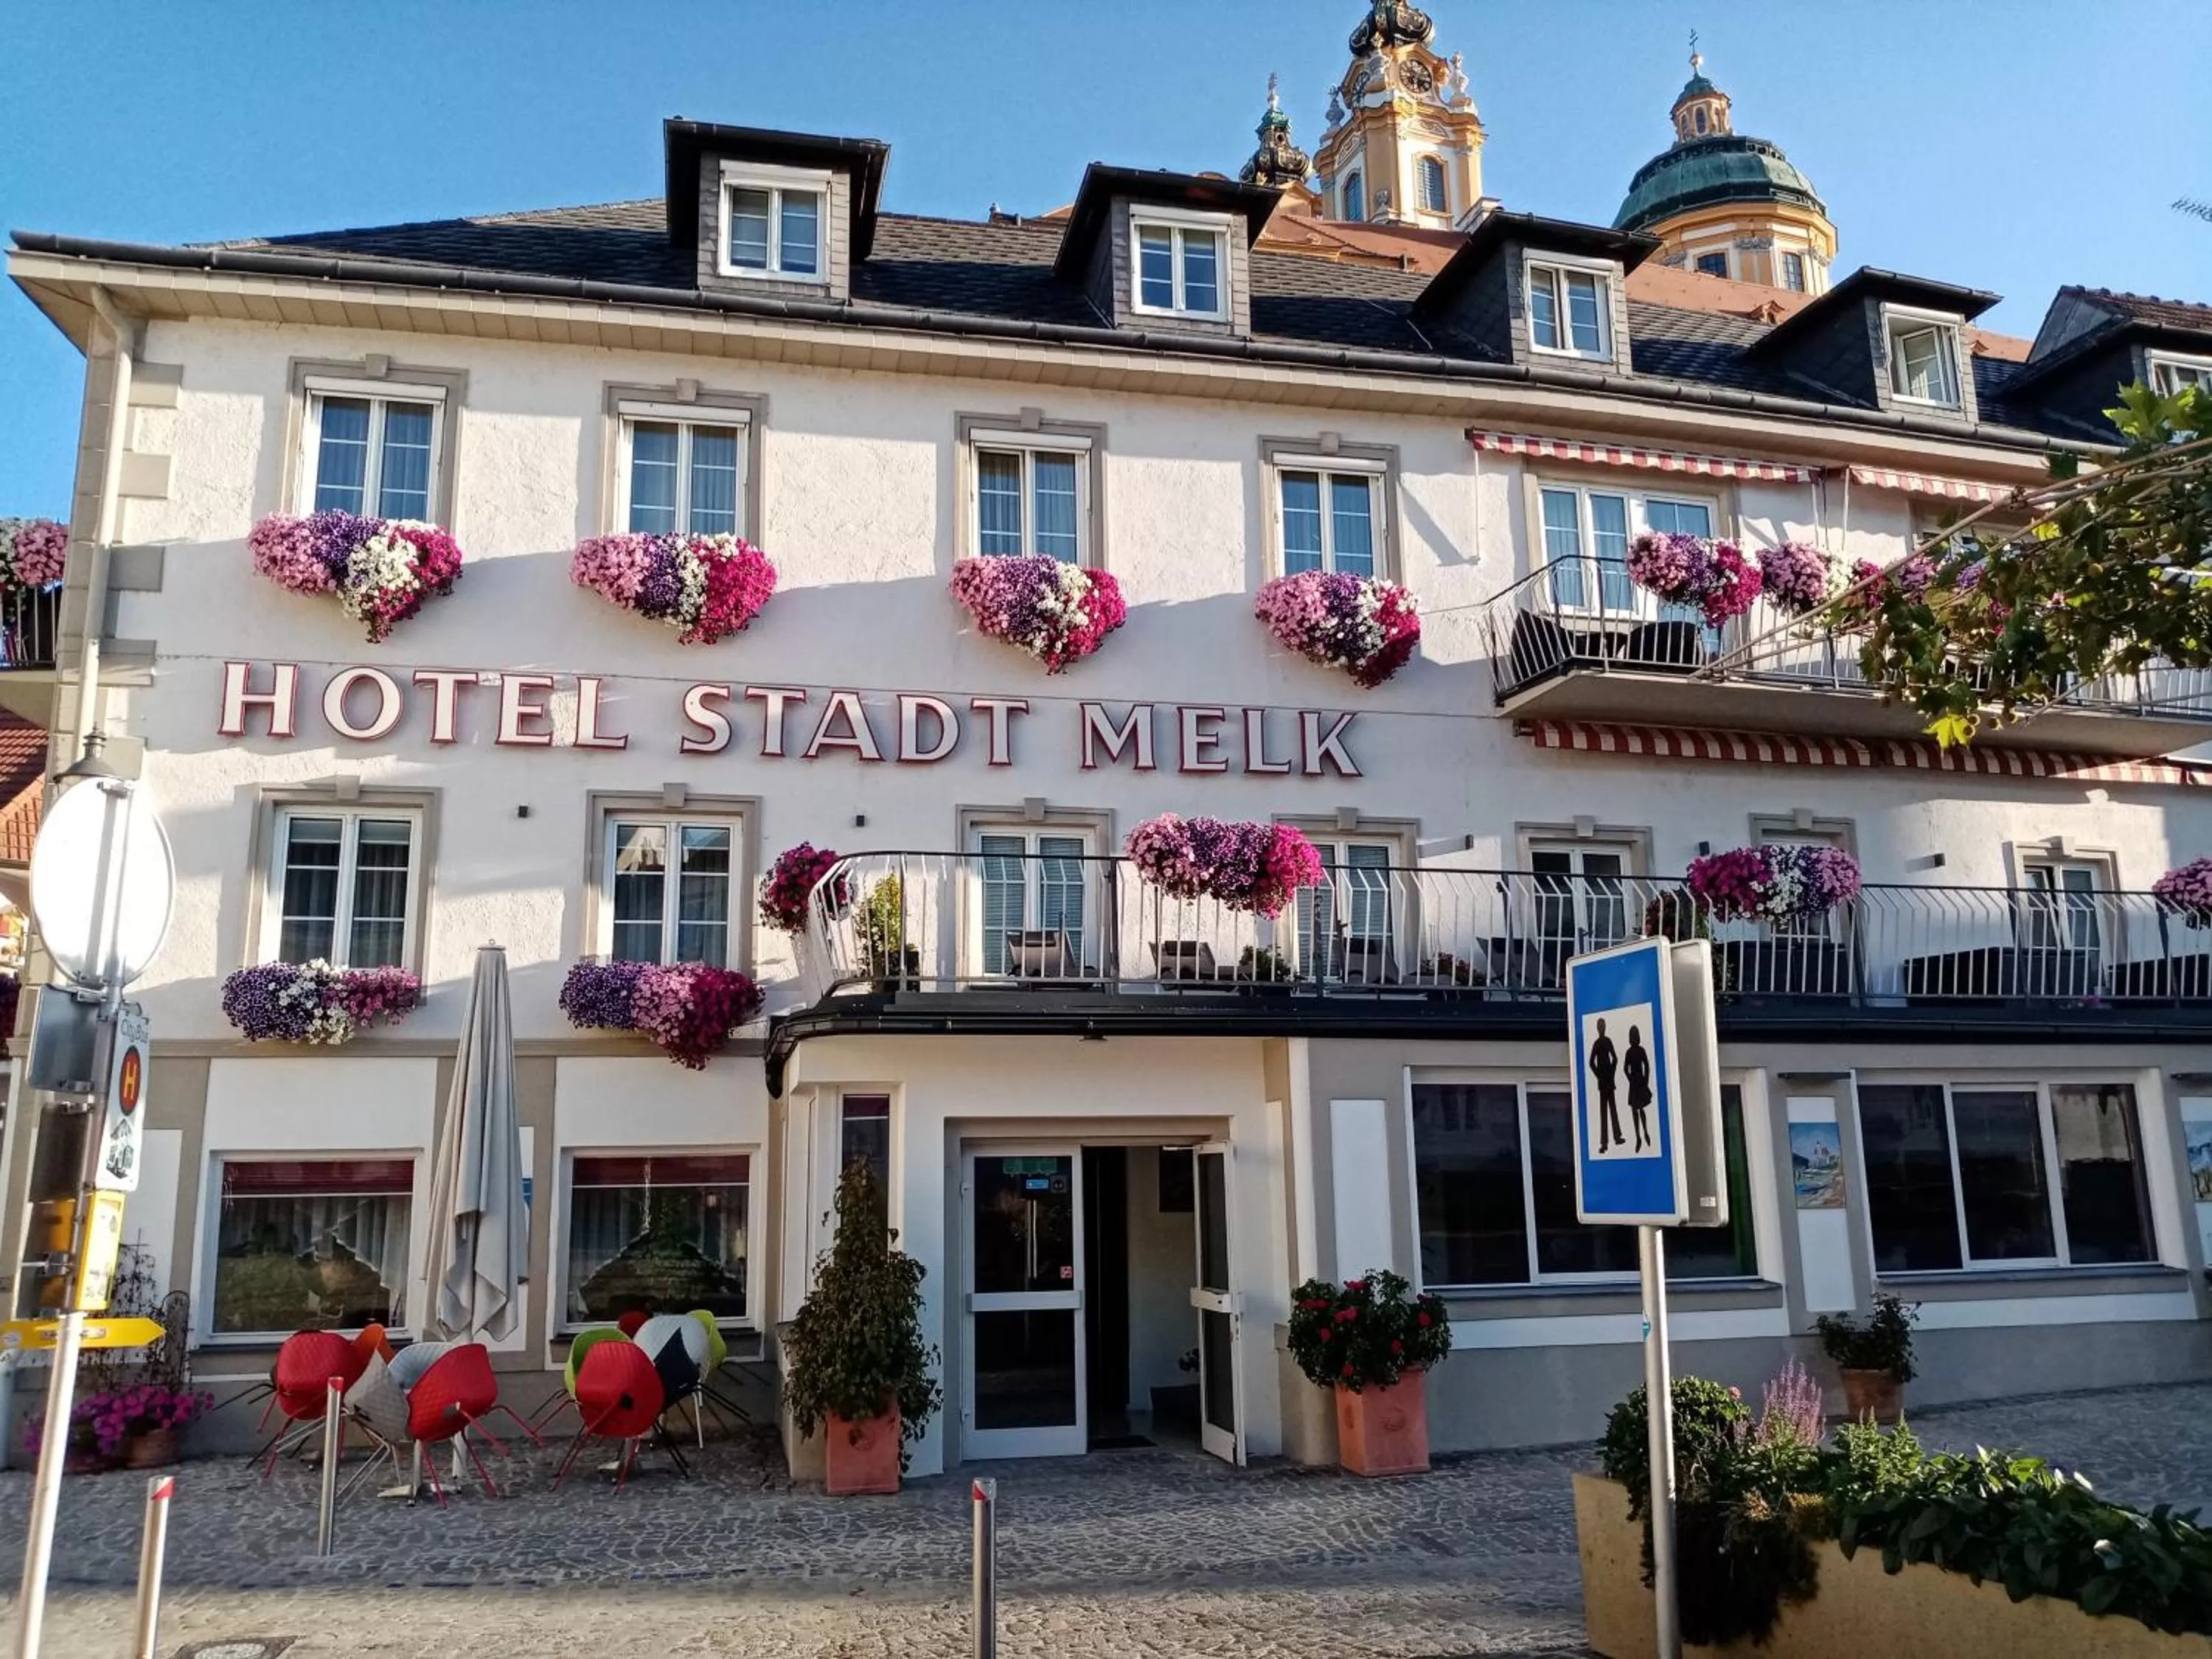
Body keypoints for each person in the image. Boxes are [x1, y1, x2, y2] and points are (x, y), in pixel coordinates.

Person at [1588, 1018, 1623, 1153]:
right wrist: (1599, 1075)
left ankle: (1617, 1137)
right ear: (1598, 1028)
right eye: (1600, 1026)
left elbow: (1615, 1058)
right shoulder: (1597, 1043)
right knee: (1604, 1111)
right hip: (1603, 1081)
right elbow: (1591, 1062)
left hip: (1608, 1080)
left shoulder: (1607, 1041)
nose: (1602, 1028)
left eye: (1603, 1026)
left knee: (1612, 1108)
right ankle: (1604, 1143)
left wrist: (1611, 1073)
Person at [1624, 1025, 1653, 1152]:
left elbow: (1646, 1065)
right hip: (1637, 1082)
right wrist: (1634, 1079)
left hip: (1638, 1082)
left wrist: (1644, 1081)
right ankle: (1639, 1136)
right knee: (1636, 1110)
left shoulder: (1637, 1051)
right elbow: (1625, 1068)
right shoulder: (1631, 1051)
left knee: (1639, 1109)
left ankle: (1644, 1134)